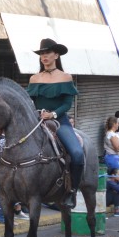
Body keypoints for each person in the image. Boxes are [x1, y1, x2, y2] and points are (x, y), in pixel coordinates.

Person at [26, 38, 83, 208]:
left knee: (77, 154)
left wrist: (53, 114)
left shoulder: (65, 77)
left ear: (56, 55)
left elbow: (67, 104)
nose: (44, 56)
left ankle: (71, 191)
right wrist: (38, 113)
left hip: (59, 121)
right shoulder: (34, 78)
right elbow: (31, 101)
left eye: (47, 53)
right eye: (42, 53)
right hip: (37, 120)